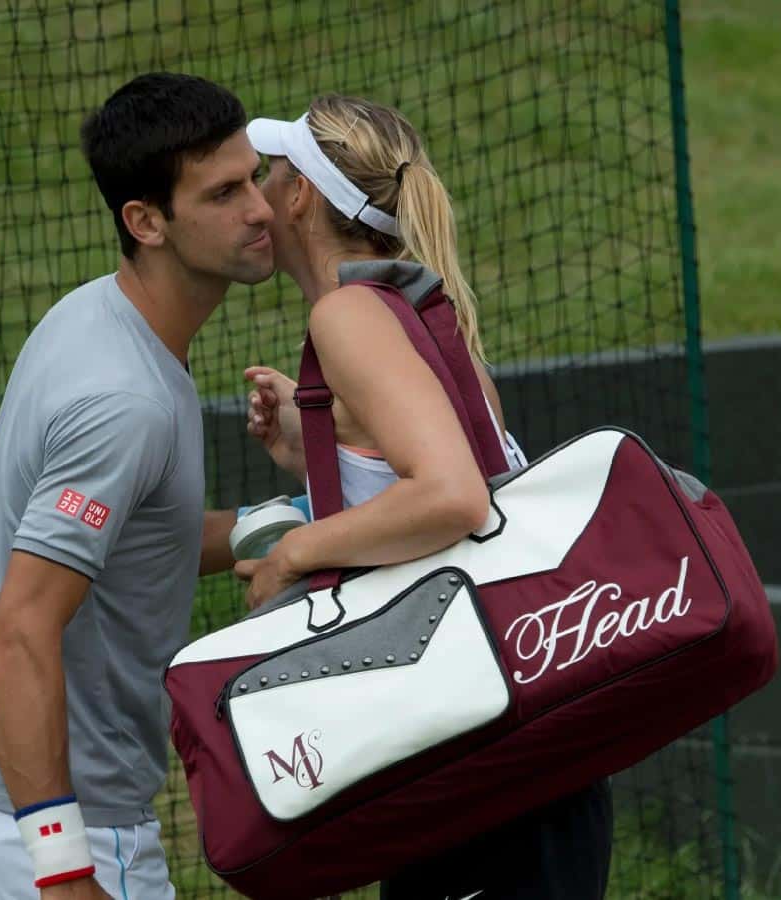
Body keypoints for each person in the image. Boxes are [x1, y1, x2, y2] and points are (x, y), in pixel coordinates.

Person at [230, 94, 613, 899]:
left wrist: (292, 554)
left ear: (302, 194)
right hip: (518, 756)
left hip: (484, 768)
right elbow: (449, 491)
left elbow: (452, 497)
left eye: (268, 173)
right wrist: (318, 462)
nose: (256, 193)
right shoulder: (415, 313)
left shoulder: (348, 316)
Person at [0, 72, 275, 900]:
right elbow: (18, 637)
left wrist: (292, 523)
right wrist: (64, 870)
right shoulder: (126, 404)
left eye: (254, 175)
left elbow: (142, 537)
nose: (260, 208)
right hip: (52, 820)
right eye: (223, 192)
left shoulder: (94, 314)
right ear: (145, 222)